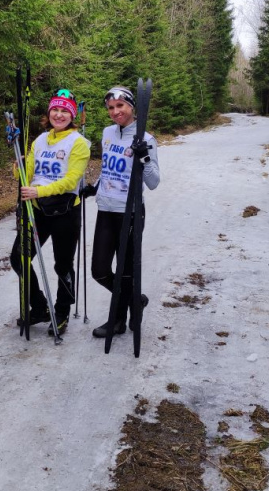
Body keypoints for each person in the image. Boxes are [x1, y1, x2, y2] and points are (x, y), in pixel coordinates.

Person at [10, 89, 90, 336]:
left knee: (63, 265)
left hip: (65, 211)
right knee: (19, 259)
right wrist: (19, 163)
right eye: (55, 109)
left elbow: (70, 181)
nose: (58, 114)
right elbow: (25, 175)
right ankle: (40, 307)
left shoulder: (79, 143)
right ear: (49, 113)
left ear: (72, 115)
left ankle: (62, 311)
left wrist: (39, 191)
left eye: (64, 110)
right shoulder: (40, 140)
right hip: (37, 211)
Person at [82, 85, 159, 339]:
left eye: (121, 106)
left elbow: (153, 182)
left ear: (132, 107)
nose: (116, 112)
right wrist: (95, 188)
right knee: (99, 270)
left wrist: (143, 158)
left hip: (131, 213)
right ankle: (135, 299)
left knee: (126, 270)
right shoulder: (107, 133)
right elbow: (108, 168)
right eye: (111, 108)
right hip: (106, 209)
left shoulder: (145, 139)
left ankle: (116, 321)